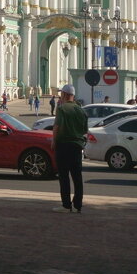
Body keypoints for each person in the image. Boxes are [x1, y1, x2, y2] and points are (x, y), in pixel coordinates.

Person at [51, 85, 89, 213]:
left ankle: (66, 205)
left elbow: (56, 127)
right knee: (77, 177)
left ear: (65, 95)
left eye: (62, 94)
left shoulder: (62, 109)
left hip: (63, 145)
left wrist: (53, 141)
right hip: (77, 146)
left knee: (64, 176)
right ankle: (78, 204)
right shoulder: (81, 110)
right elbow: (85, 131)